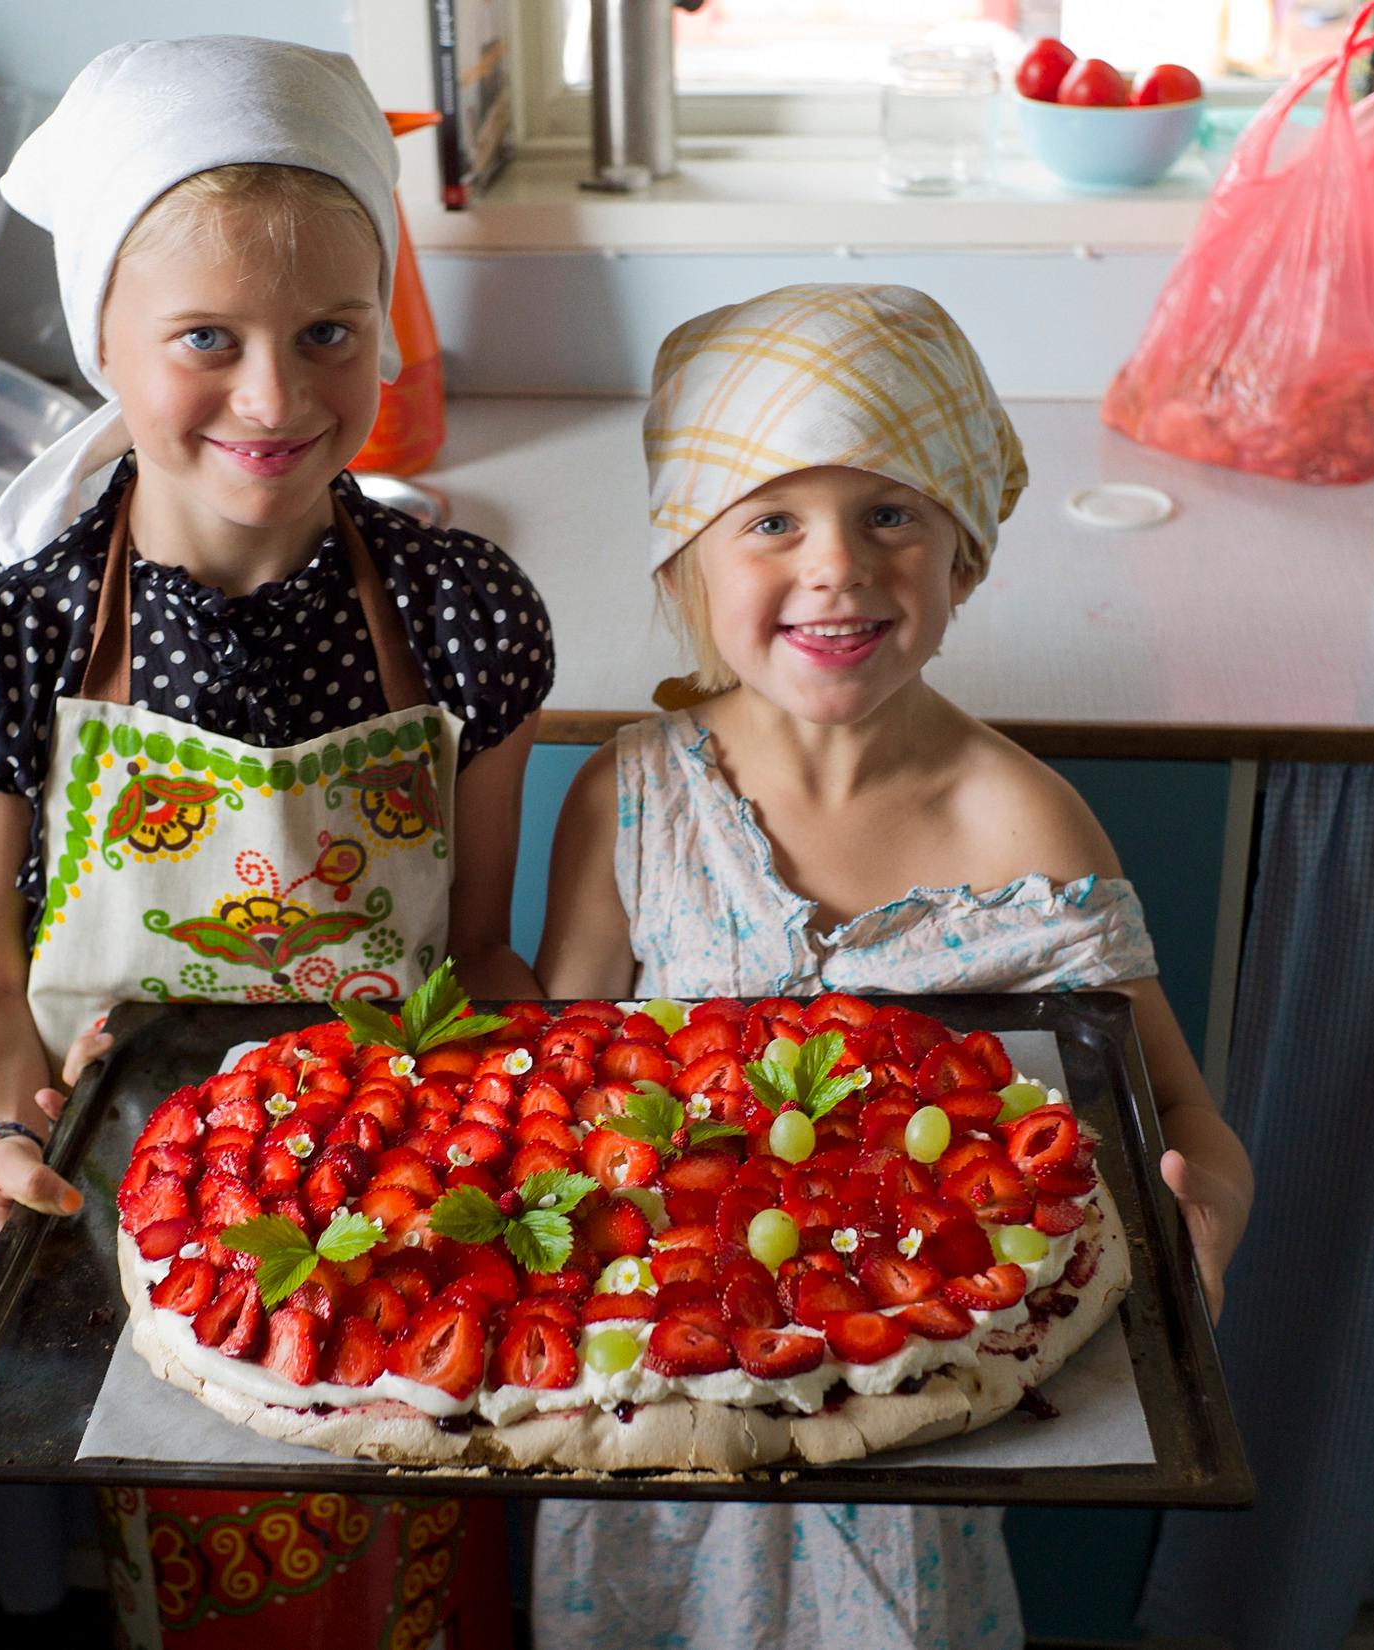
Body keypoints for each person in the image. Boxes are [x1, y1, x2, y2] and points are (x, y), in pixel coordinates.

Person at [0, 36, 547, 1650]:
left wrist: (530, 1138)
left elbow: (475, 951)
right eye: (207, 337)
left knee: (428, 1589)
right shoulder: (1, 637)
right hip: (142, 1232)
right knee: (206, 1586)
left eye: (331, 332)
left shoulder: (464, 612)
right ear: (102, 343)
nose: (276, 396)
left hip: (416, 1223)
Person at [529, 282, 1253, 1650]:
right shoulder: (631, 801)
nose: (838, 569)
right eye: (772, 520)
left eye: (892, 514)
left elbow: (1188, 1121)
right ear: (689, 555)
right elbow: (559, 1097)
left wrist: (1202, 1213)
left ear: (966, 552)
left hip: (914, 1463)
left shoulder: (1026, 827)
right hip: (656, 1432)